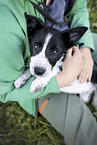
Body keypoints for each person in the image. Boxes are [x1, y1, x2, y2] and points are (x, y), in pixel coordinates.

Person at [0, 0, 97, 145]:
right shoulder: (5, 19)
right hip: (35, 87)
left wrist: (86, 47)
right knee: (84, 130)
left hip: (64, 43)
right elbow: (5, 91)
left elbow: (78, 8)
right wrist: (62, 80)